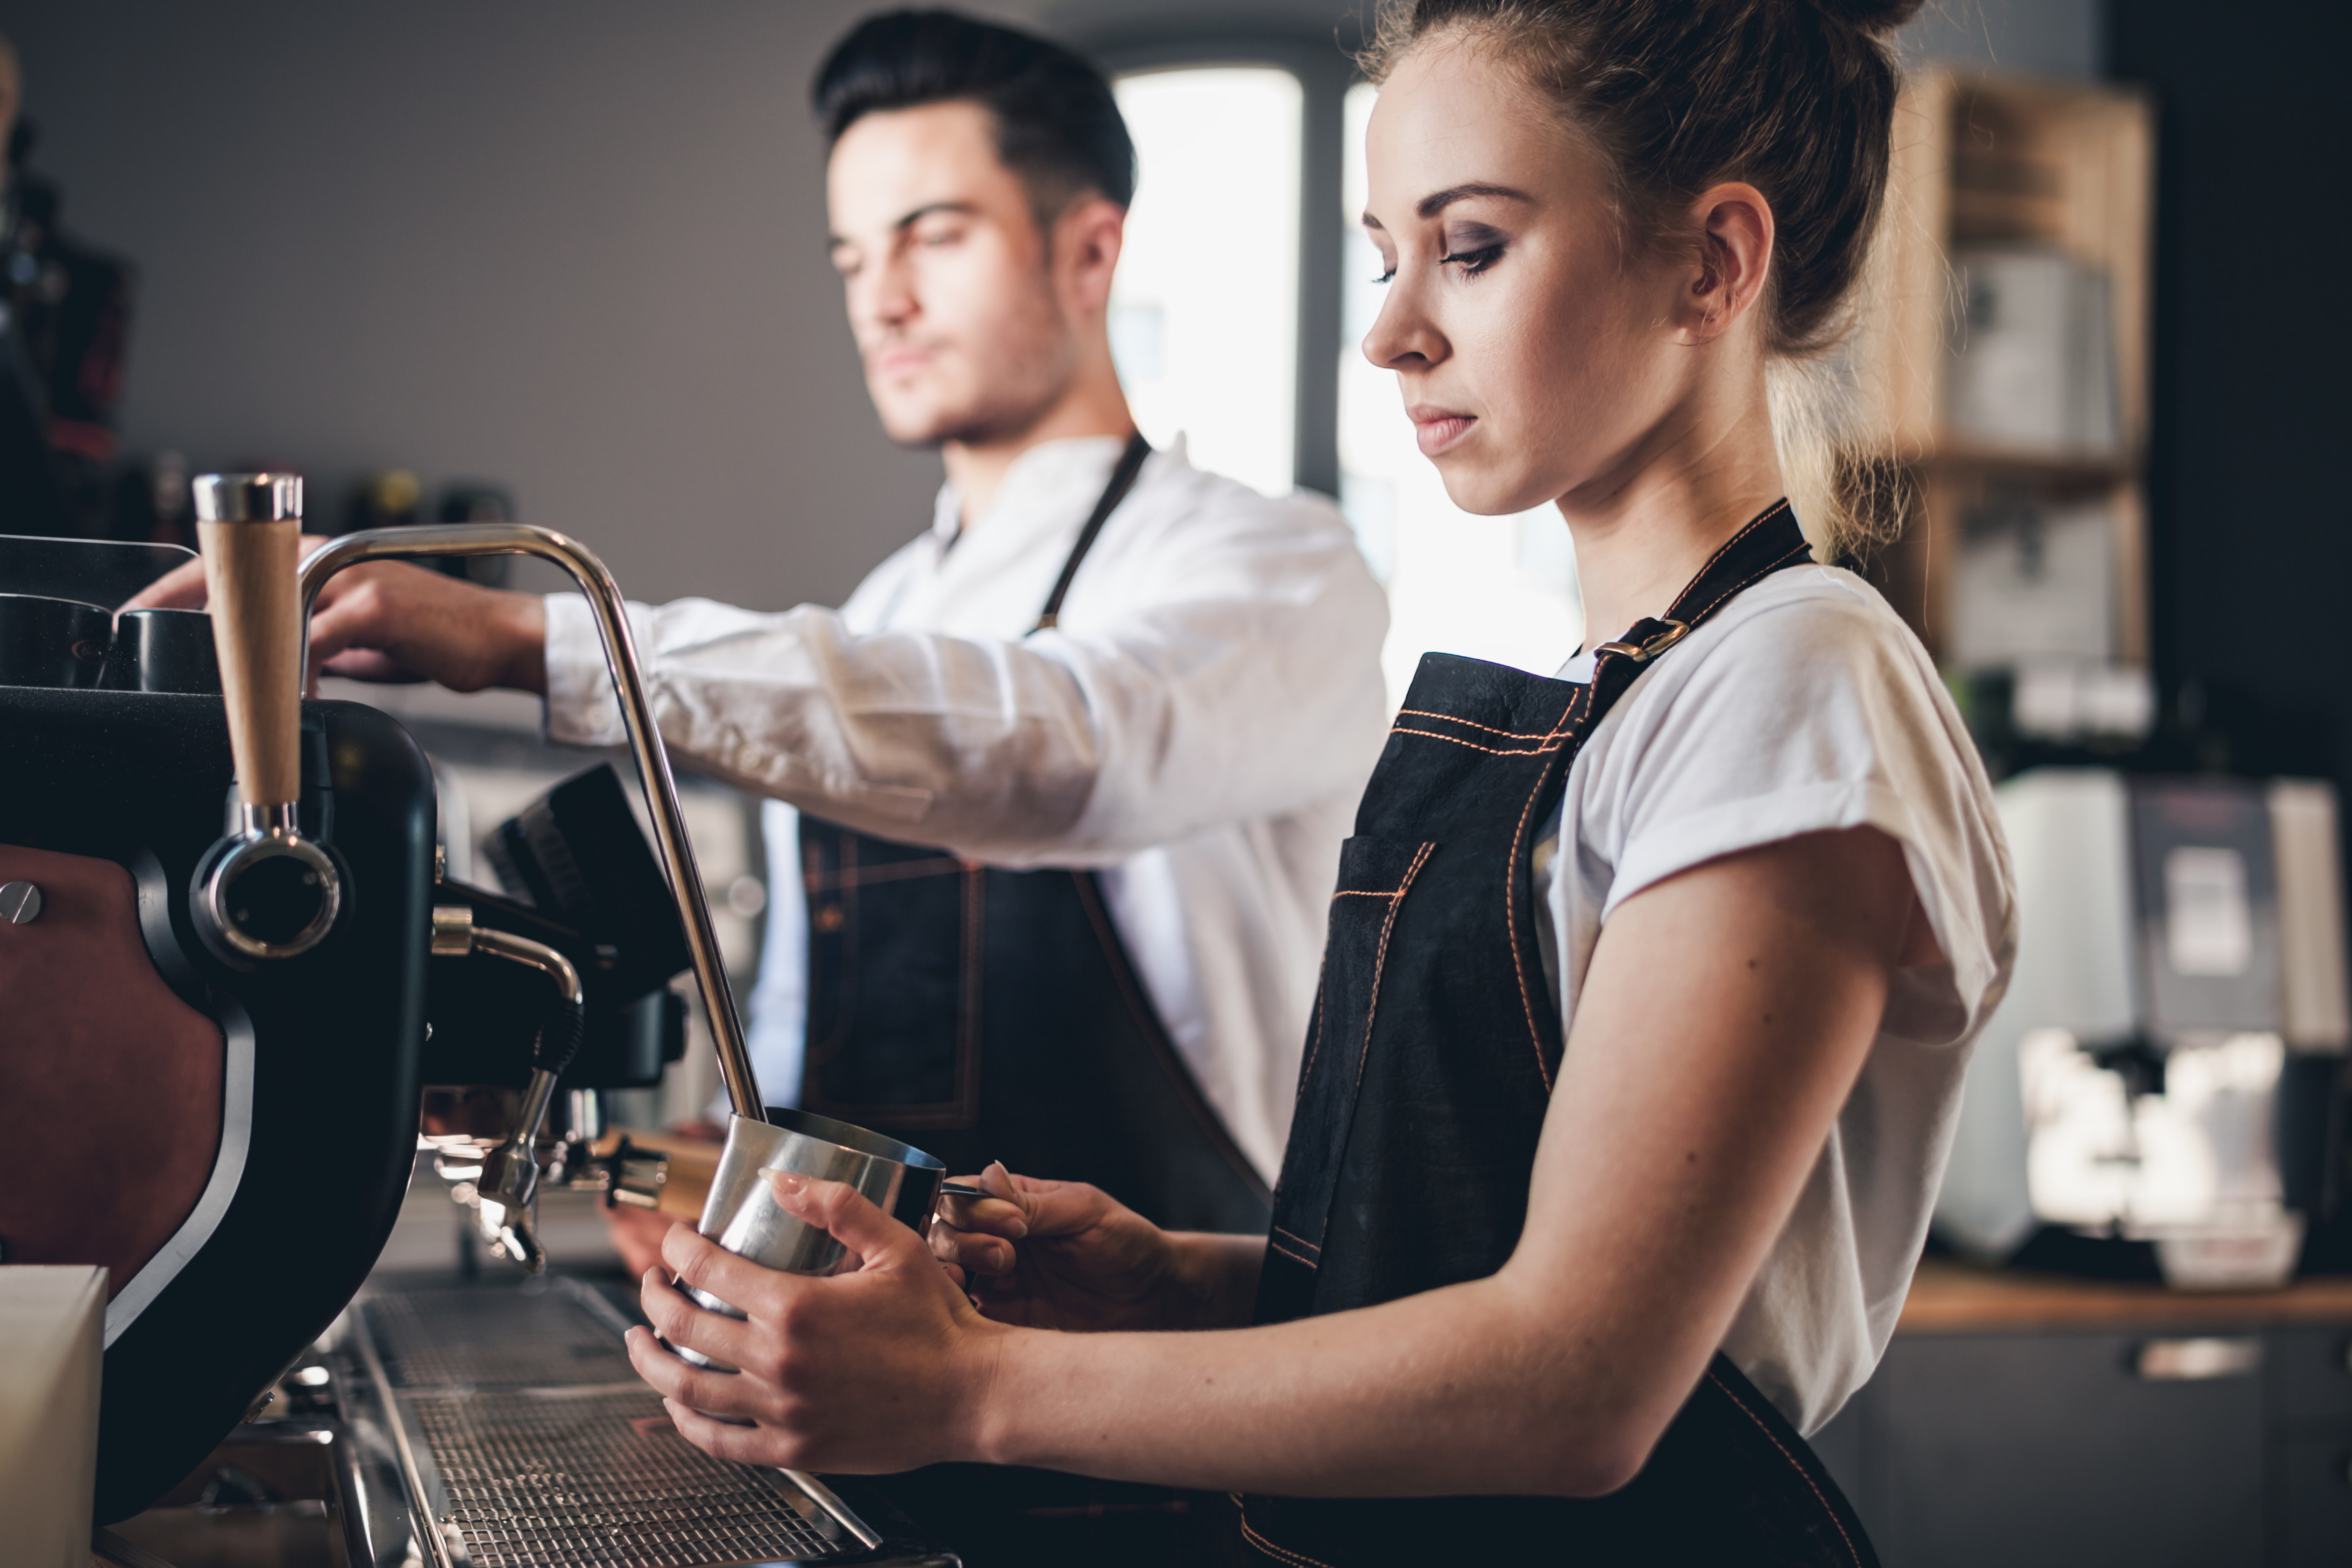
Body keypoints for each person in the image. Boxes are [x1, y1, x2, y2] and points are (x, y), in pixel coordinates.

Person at [619, 0, 2017, 1563]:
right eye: (1382, 257)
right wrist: (1184, 1281)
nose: (1390, 331)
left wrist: (977, 1392)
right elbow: (1493, 1263)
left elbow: (1577, 1386)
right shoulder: (1625, 694)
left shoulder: (1792, 679)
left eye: (1470, 248)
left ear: (1711, 263)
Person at [130, 11, 1391, 1277]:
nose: (882, 300)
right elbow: (810, 1038)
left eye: (933, 237)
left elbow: (1077, 748)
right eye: (850, 259)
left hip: (1158, 1373)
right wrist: (724, 1181)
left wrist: (529, 638)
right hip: (876, 1366)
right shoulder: (883, 613)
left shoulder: (1276, 565)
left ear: (1088, 251)